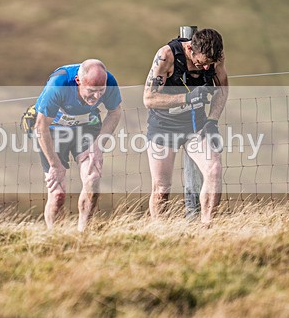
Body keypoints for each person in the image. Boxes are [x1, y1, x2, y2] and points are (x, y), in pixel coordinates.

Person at [143, 28, 229, 225]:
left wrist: (212, 121)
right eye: (202, 63)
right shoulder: (166, 56)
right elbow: (149, 99)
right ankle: (161, 233)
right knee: (161, 189)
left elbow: (223, 88)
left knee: (214, 170)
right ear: (190, 48)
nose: (207, 68)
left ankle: (207, 227)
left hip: (195, 126)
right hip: (163, 127)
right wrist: (187, 98)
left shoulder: (216, 56)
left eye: (211, 64)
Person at [34, 59, 122, 231]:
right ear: (78, 81)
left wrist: (98, 145)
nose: (96, 97)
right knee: (57, 195)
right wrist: (54, 165)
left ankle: (84, 233)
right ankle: (55, 237)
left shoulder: (109, 81)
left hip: (86, 127)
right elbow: (40, 126)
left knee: (93, 179)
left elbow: (115, 112)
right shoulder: (59, 84)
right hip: (53, 131)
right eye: (91, 91)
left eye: (100, 91)